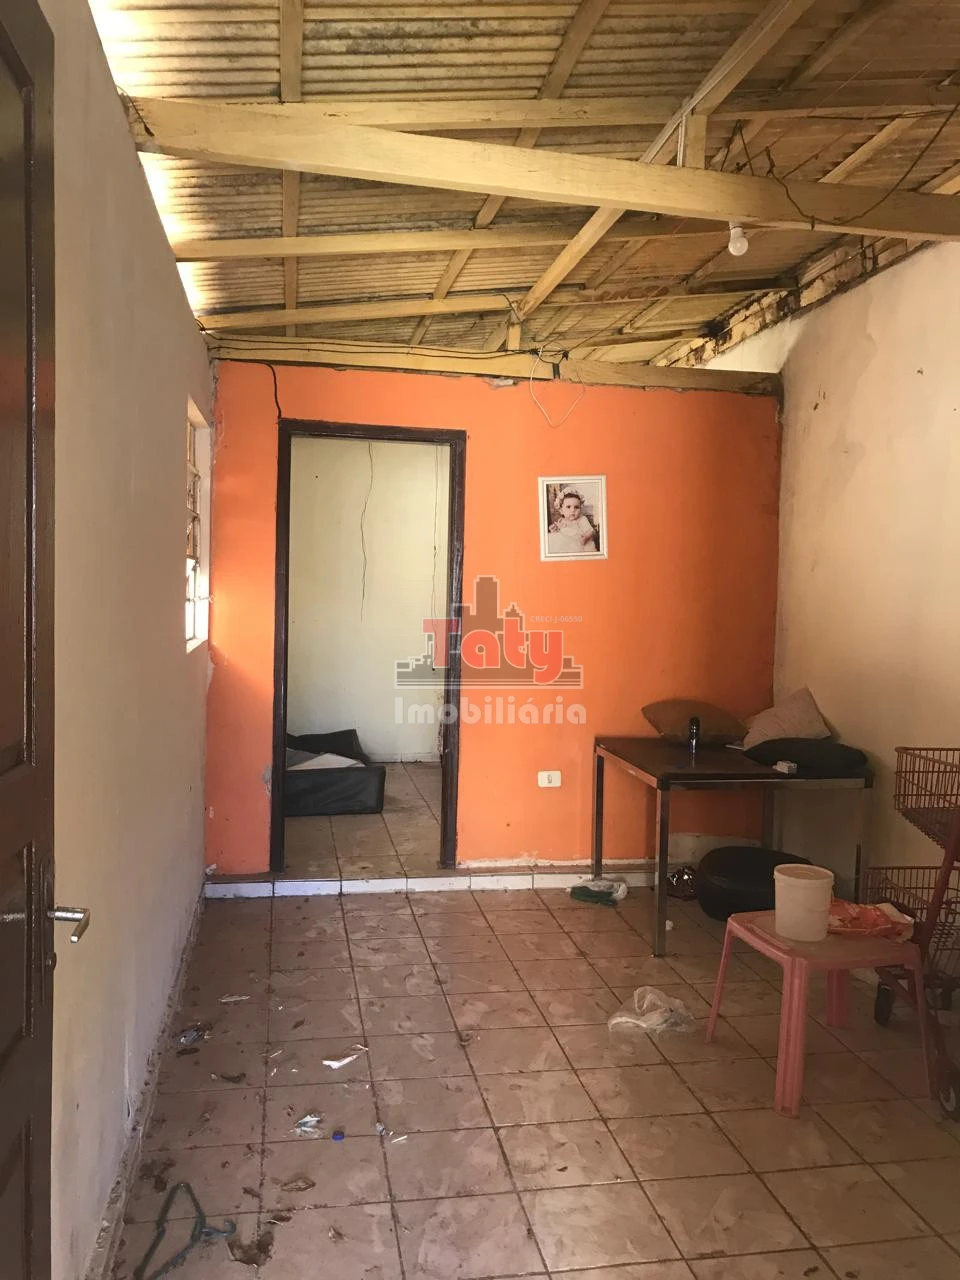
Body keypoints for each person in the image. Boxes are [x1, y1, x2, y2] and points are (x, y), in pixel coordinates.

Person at [547, 487, 598, 555]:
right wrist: (554, 529)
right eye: (568, 507)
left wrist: (586, 537)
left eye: (576, 507)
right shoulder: (561, 520)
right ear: (561, 510)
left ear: (580, 508)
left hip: (578, 544)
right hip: (564, 545)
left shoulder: (582, 519)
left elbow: (591, 531)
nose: (573, 510)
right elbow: (559, 534)